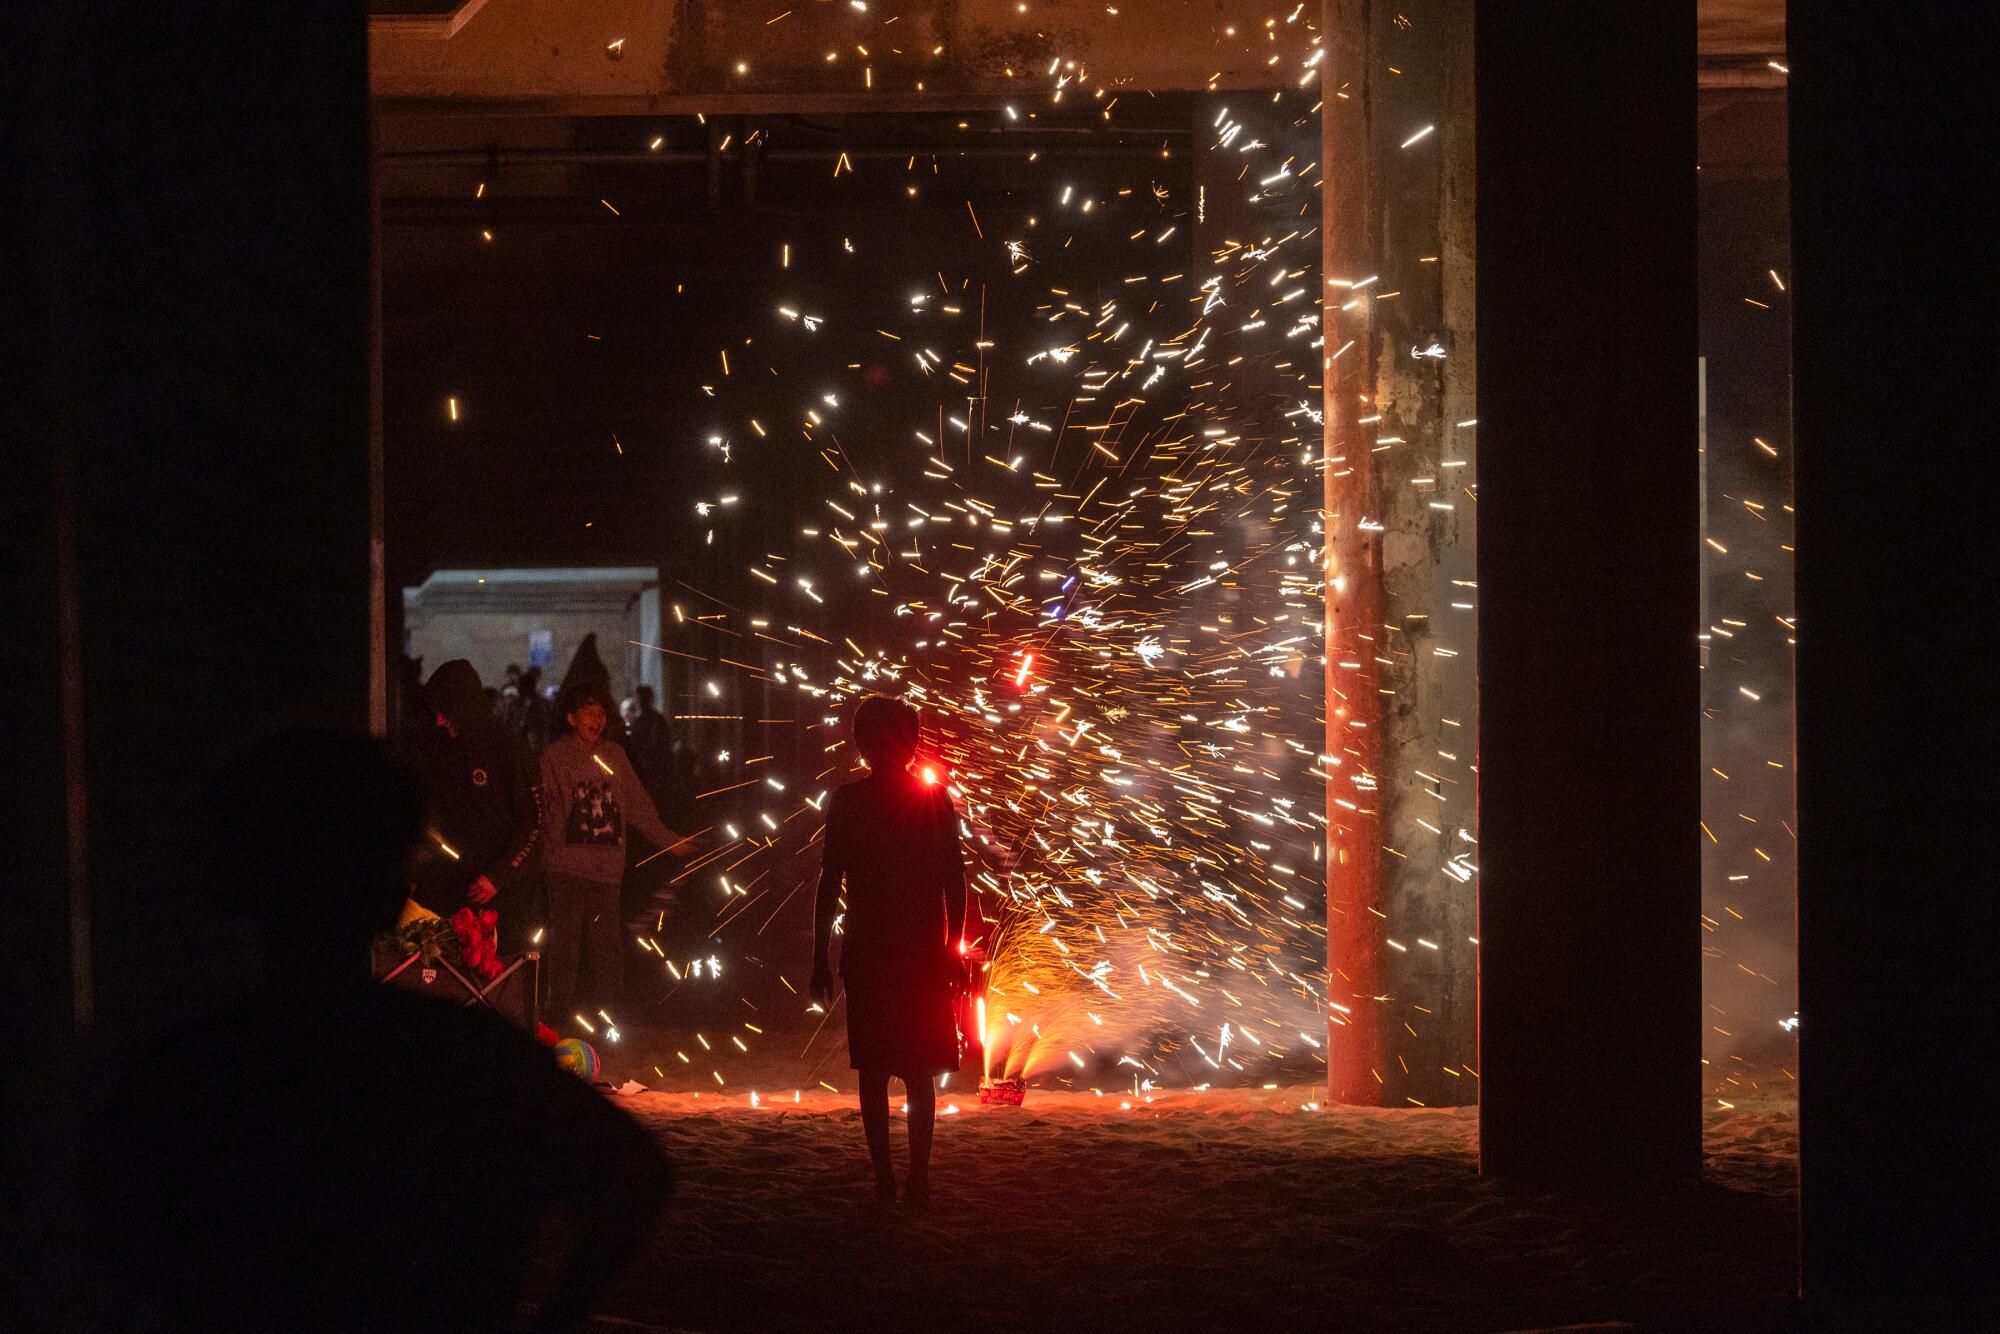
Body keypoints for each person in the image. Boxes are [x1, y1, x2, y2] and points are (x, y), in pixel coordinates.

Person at [88, 729, 671, 1332]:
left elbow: (114, 1260)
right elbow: (636, 1177)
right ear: (393, 893)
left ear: (228, 887)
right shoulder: (473, 1060)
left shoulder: (182, 1080)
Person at [811, 694, 968, 1206]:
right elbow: (956, 885)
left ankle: (884, 1180)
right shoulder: (934, 800)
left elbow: (828, 884)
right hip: (921, 951)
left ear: (861, 744)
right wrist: (953, 950)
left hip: (870, 951)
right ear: (914, 744)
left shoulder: (848, 801)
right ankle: (918, 1180)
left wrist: (820, 956)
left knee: (874, 1072)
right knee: (920, 1074)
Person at [541, 682, 689, 1021]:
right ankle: (559, 1015)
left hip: (606, 870)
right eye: (588, 714)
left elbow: (636, 806)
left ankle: (611, 1014)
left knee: (606, 946)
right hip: (567, 868)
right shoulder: (556, 757)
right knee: (565, 945)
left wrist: (667, 839)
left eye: (601, 714)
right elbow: (548, 813)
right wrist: (549, 859)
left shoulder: (614, 757)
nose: (596, 720)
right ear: (571, 718)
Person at [404, 659, 542, 953]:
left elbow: (533, 821)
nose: (440, 721)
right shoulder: (439, 749)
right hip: (451, 889)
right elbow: (430, 816)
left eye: (445, 711)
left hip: (500, 894)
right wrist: (416, 872)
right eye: (436, 713)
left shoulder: (508, 747)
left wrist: (499, 875)